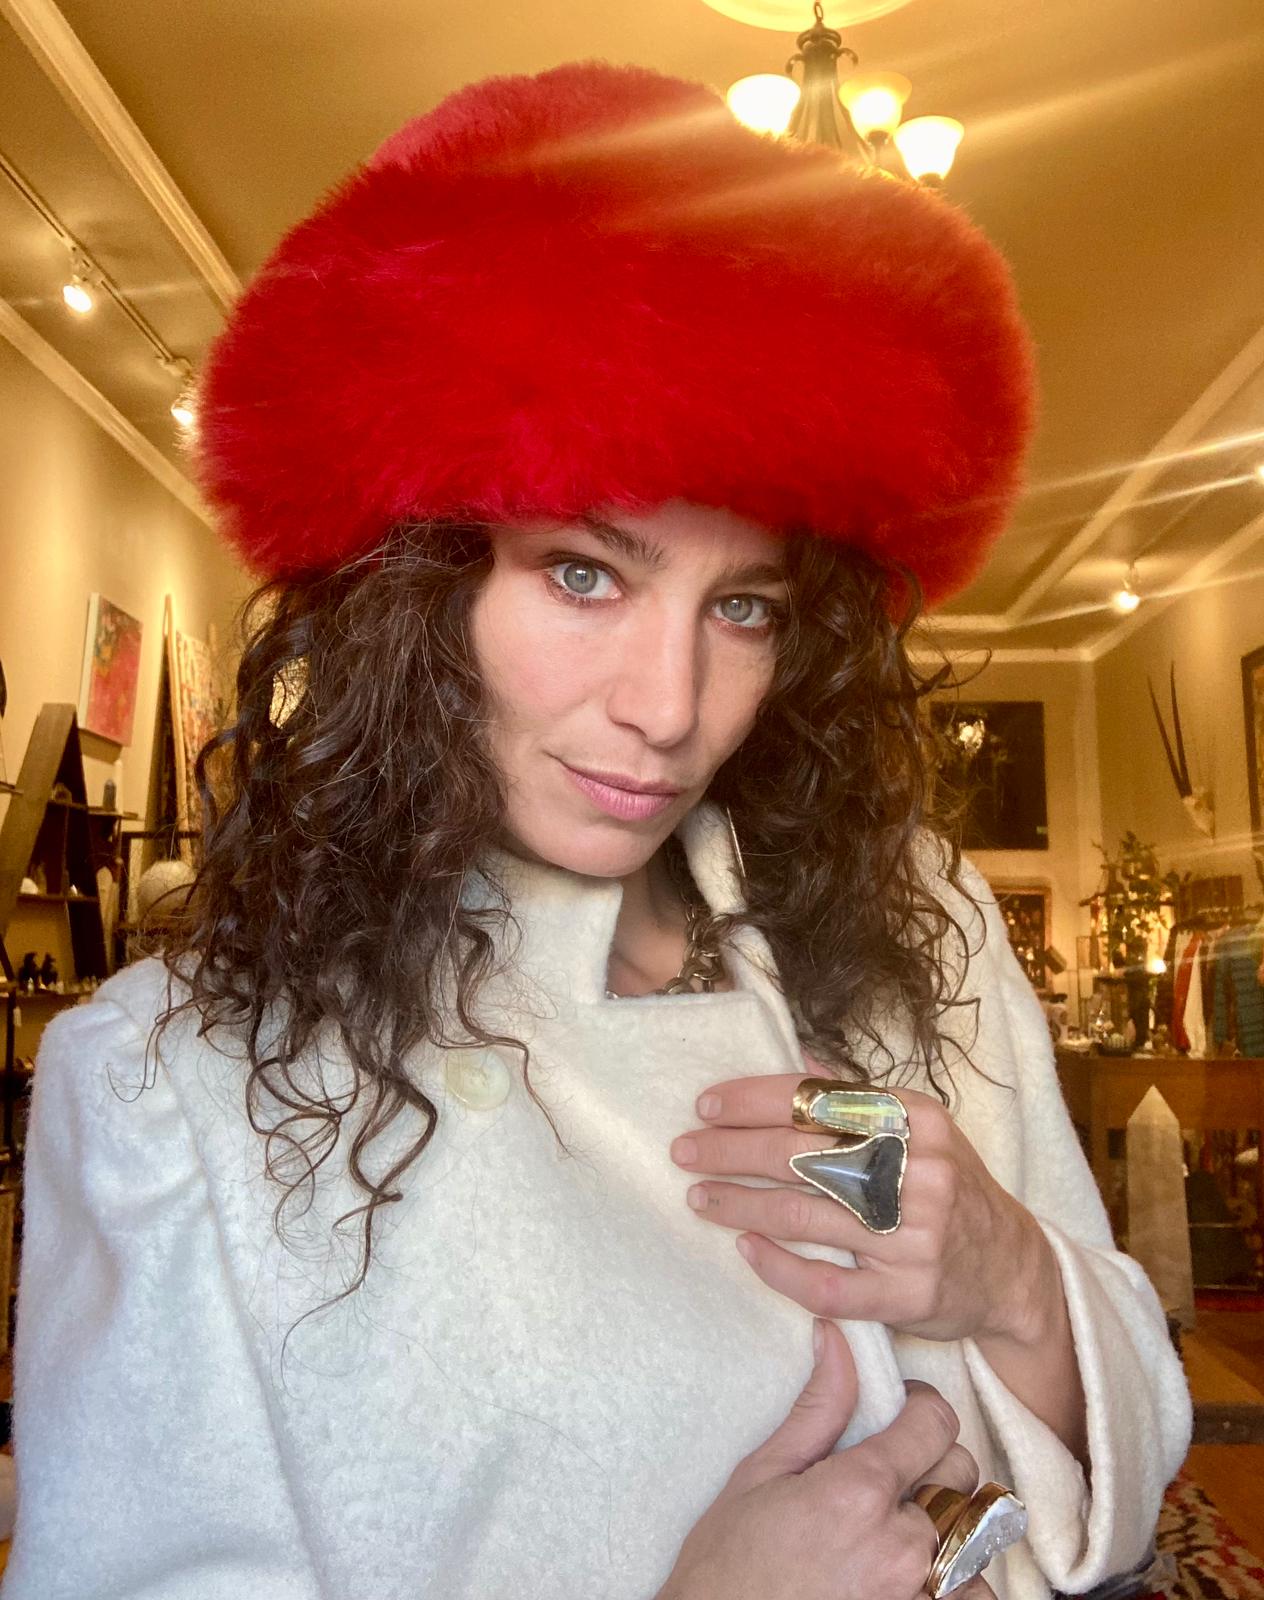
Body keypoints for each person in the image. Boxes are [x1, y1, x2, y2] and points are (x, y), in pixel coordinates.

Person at [4, 60, 1190, 1600]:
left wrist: (1016, 1280)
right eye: (583, 573)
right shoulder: (184, 1088)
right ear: (415, 588)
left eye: (743, 606)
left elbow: (1121, 1492)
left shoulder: (913, 929)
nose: (671, 705)